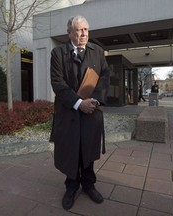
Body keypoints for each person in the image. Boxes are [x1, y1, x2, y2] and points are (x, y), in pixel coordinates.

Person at [50, 15, 110, 210]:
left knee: (88, 149)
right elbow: (58, 84)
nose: (84, 33)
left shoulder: (98, 52)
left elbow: (104, 78)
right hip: (69, 112)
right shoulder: (57, 53)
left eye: (86, 29)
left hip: (91, 110)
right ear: (69, 33)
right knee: (71, 151)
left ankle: (89, 185)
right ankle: (71, 186)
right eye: (79, 30)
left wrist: (94, 101)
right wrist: (78, 103)